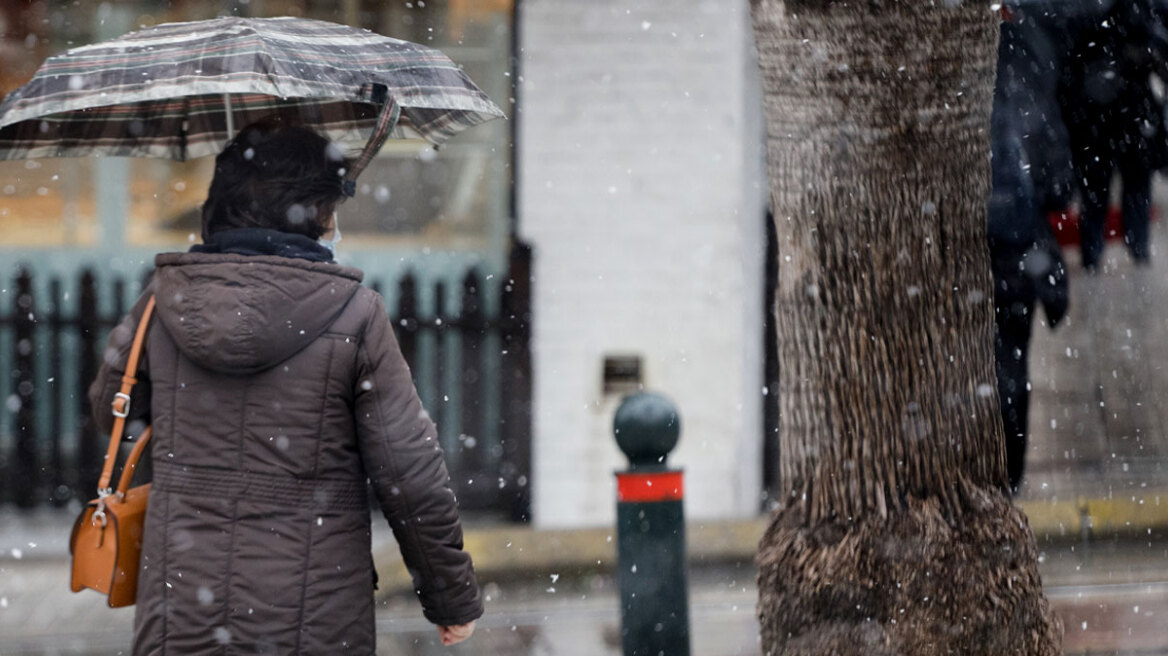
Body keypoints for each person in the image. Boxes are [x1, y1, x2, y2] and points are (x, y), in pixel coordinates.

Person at [89, 121, 481, 654]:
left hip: (182, 601)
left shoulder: (163, 299)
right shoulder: (354, 313)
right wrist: (449, 596)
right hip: (313, 613)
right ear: (313, 212)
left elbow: (111, 408)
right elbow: (409, 470)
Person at [989, 3, 1072, 493]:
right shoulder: (1028, 58)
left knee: (993, 366)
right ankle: (1006, 476)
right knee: (1010, 366)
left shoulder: (951, 67)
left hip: (976, 251)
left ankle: (993, 470)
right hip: (1016, 251)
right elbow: (1055, 172)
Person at [1061, 0, 1168, 269]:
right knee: (1108, 191)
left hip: (1118, 117)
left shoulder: (1132, 15)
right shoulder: (1095, 16)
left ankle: (1125, 254)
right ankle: (1111, 255)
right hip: (1109, 117)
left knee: (1122, 189)